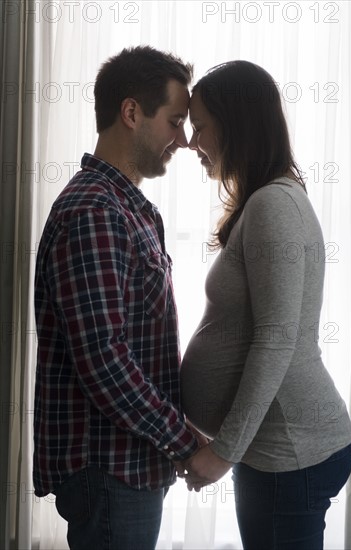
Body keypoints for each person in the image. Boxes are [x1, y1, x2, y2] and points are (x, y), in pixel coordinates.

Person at [180, 60, 351, 550]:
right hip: (278, 451)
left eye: (201, 126)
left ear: (236, 126)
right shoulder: (270, 199)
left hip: (289, 452)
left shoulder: (273, 205)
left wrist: (223, 453)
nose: (193, 142)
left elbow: (277, 338)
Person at [33, 45, 201, 550]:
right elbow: (105, 360)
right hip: (109, 469)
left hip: (130, 464)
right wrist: (186, 443)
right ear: (131, 113)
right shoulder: (95, 212)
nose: (184, 139)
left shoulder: (132, 210)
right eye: (174, 120)